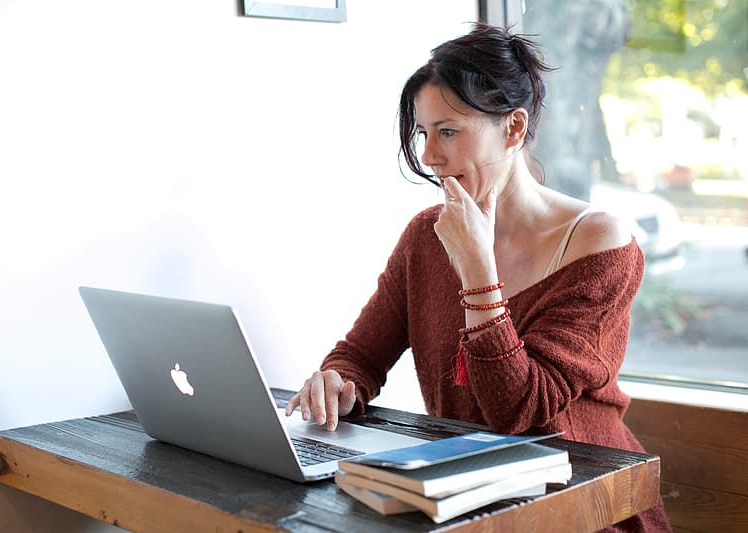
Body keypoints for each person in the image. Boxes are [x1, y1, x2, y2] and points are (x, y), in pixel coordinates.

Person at [285, 22, 671, 532]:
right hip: (469, 497)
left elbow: (520, 410)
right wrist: (339, 382)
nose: (428, 155)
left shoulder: (601, 243)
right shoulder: (427, 235)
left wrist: (477, 271)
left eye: (448, 131)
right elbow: (359, 355)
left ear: (513, 129)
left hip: (581, 504)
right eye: (424, 133)